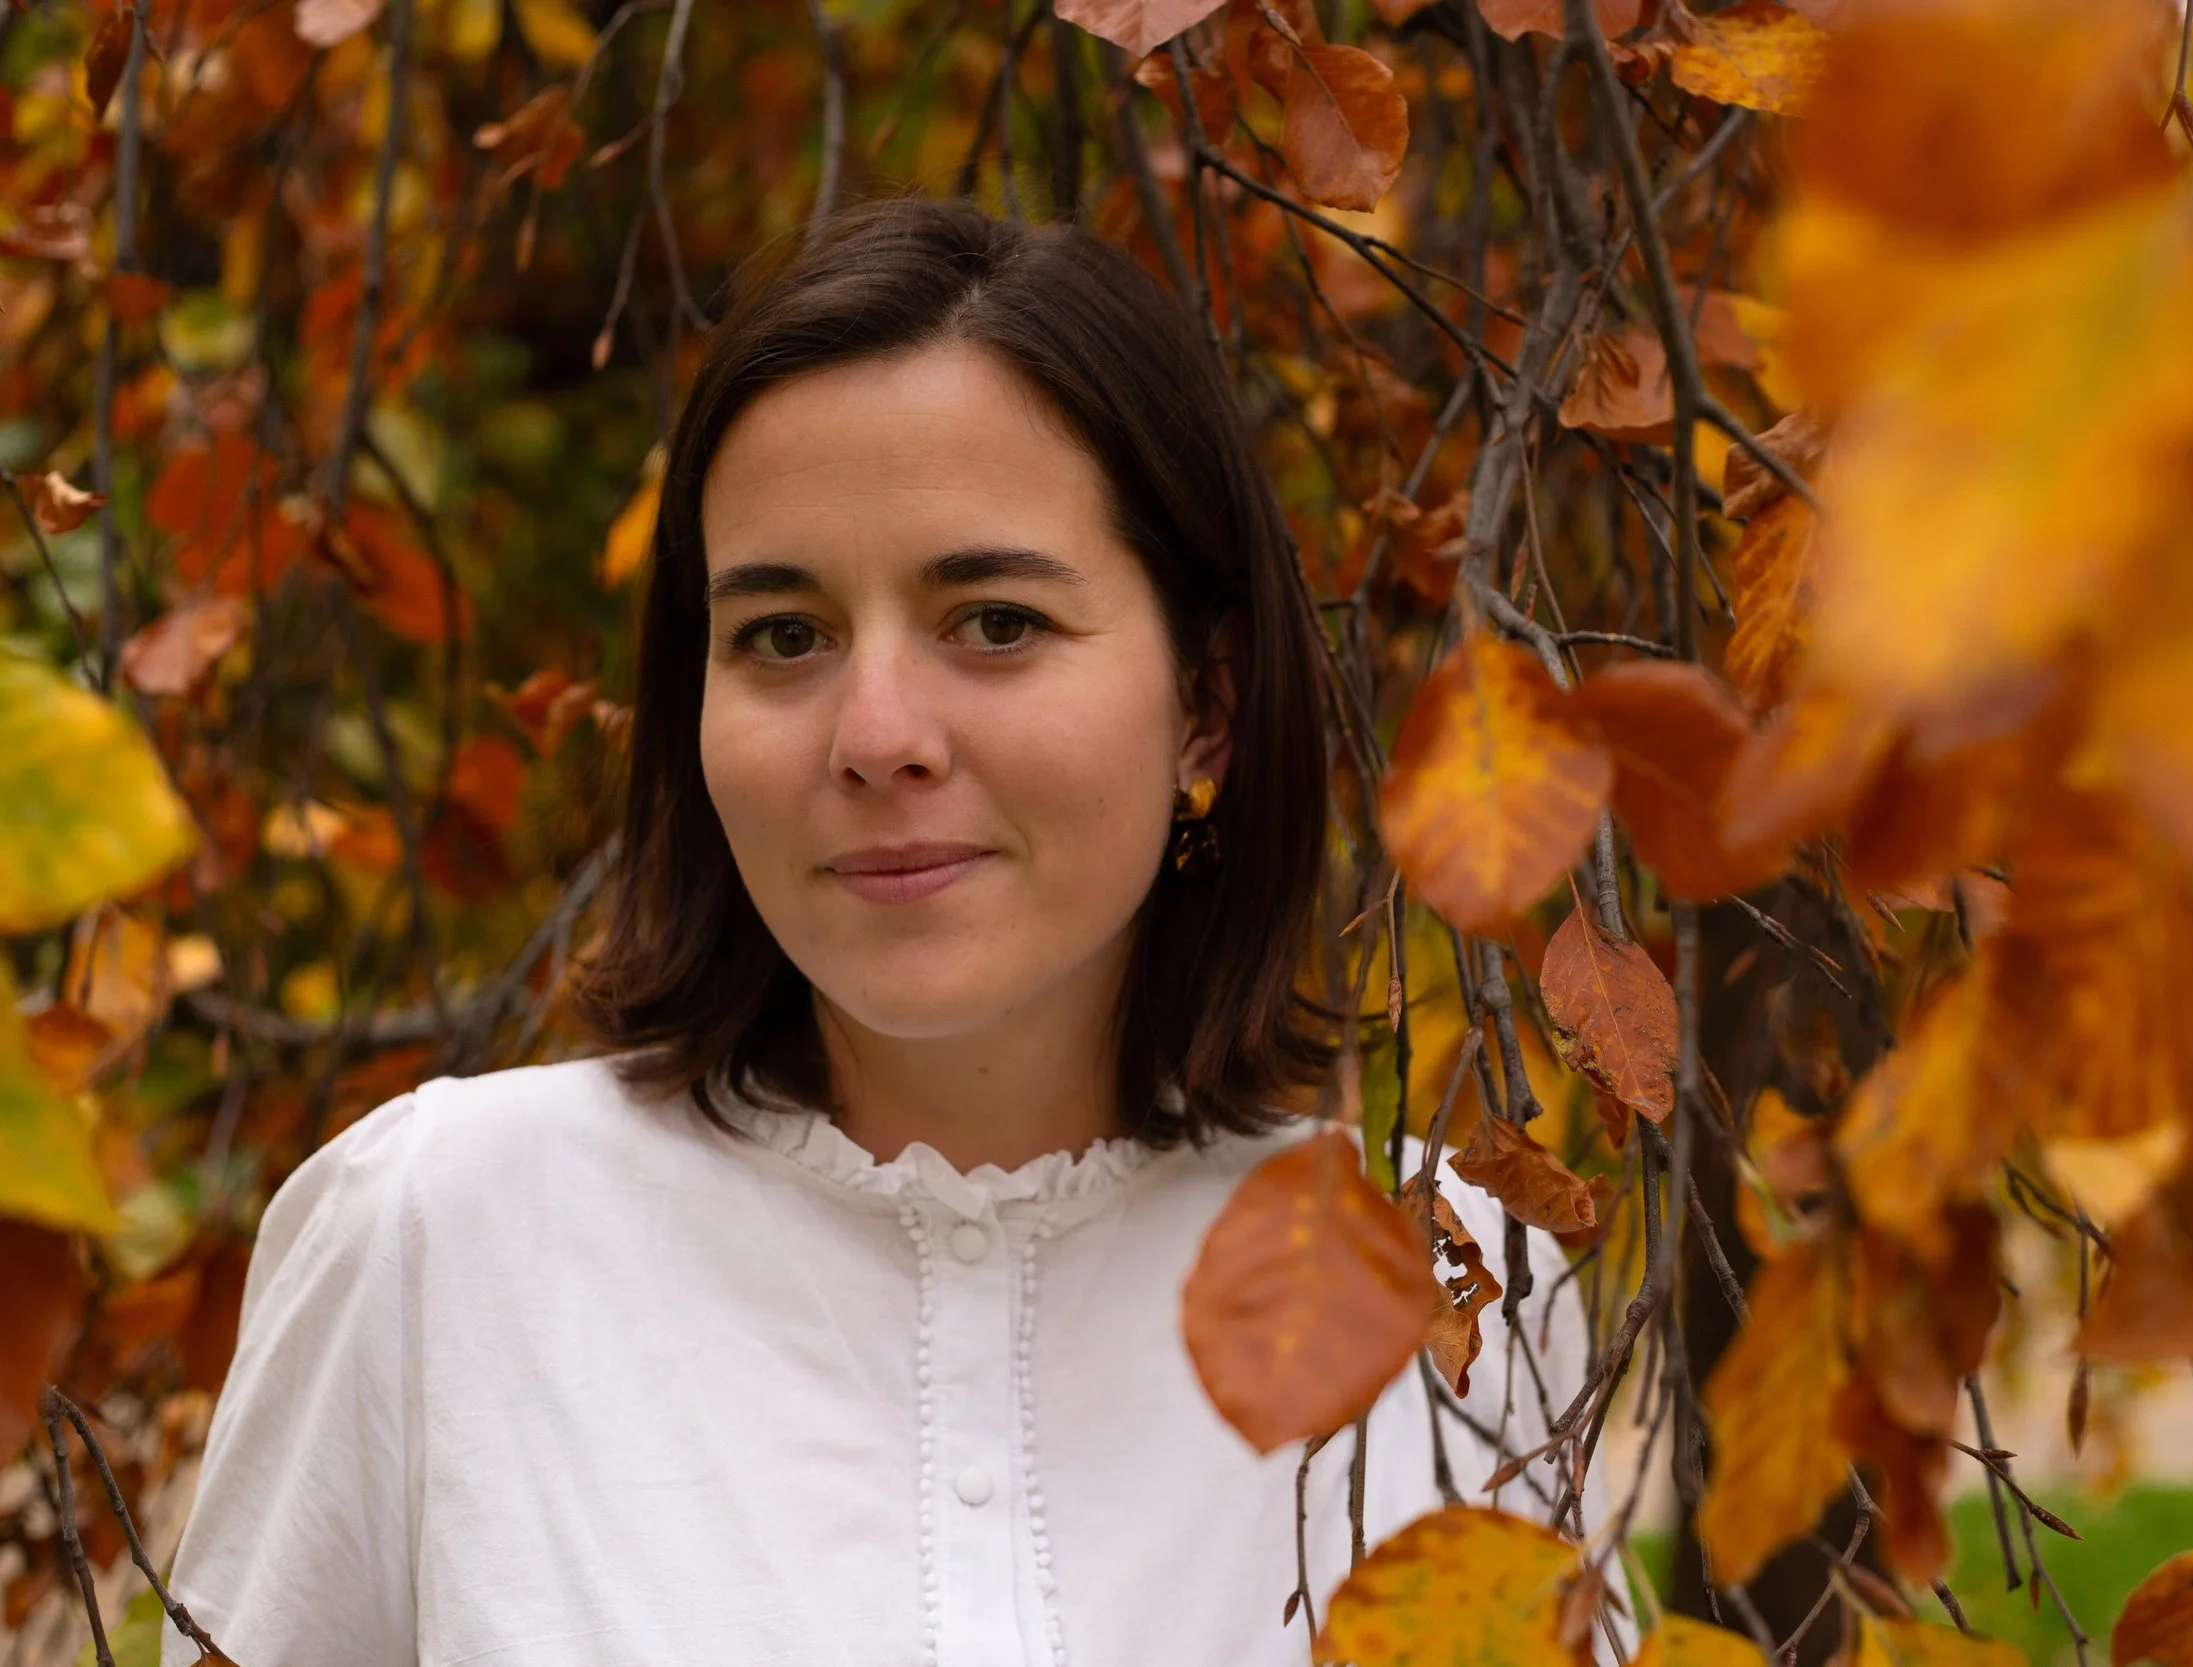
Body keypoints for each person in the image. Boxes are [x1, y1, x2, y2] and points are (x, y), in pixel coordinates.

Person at [165, 194, 1616, 1667]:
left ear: (1207, 704)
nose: (876, 736)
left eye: (995, 621)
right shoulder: (446, 1238)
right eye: (783, 636)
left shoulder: (1447, 1283)